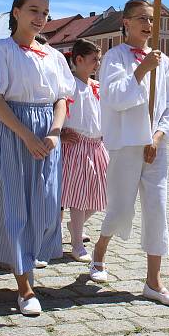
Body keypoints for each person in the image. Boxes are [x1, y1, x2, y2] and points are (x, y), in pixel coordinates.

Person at [0, 0, 74, 316]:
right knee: (15, 206)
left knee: (44, 203)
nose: (40, 18)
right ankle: (25, 287)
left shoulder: (53, 56)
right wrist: (26, 135)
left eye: (45, 13)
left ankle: (29, 257)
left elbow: (62, 98)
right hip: (14, 131)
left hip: (47, 133)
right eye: (33, 10)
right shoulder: (1, 51)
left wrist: (54, 131)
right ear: (16, 12)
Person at [89, 0, 169, 307]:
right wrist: (141, 71)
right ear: (126, 23)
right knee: (120, 208)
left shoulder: (164, 62)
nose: (148, 24)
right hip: (126, 144)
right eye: (141, 18)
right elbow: (114, 97)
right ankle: (99, 253)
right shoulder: (115, 58)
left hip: (154, 147)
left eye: (152, 19)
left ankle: (153, 281)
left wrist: (158, 136)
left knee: (157, 208)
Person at [60, 38, 108, 263]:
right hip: (76, 145)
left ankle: (75, 225)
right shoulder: (68, 85)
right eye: (93, 60)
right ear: (78, 60)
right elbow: (56, 112)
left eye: (98, 60)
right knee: (78, 198)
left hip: (97, 145)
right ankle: (77, 243)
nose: (97, 64)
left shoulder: (96, 86)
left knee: (105, 193)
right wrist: (59, 133)